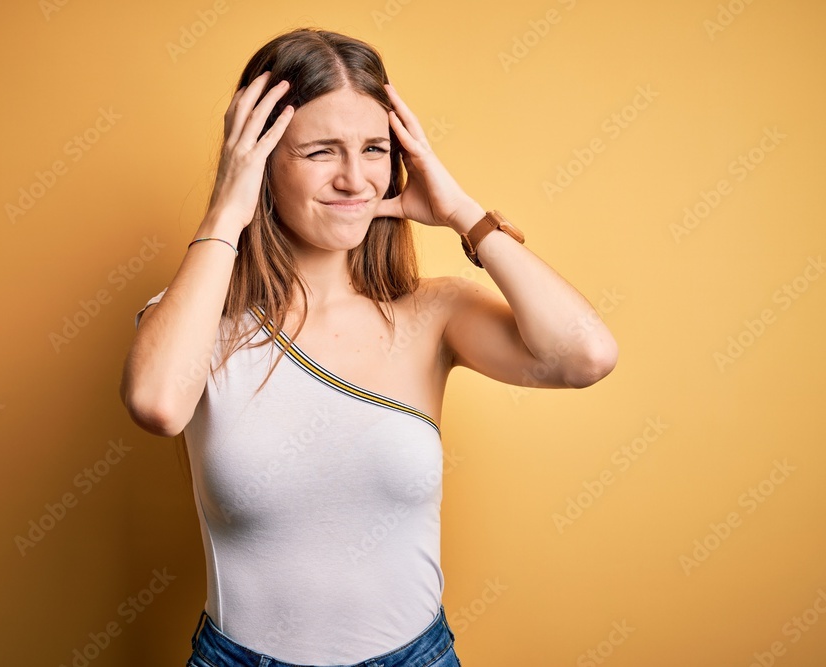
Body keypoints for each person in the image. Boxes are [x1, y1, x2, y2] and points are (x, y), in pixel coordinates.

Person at [120, 27, 618, 667]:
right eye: (321, 152)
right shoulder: (195, 319)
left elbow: (585, 356)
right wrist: (226, 209)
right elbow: (158, 404)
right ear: (261, 161)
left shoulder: (432, 313)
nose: (355, 179)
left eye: (375, 149)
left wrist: (463, 213)